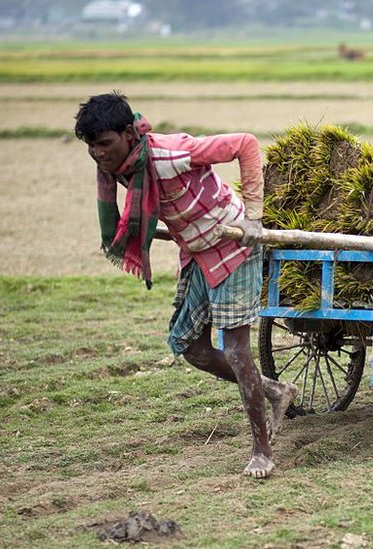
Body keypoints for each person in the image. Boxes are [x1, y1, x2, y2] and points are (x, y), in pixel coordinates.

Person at [74, 92, 298, 478]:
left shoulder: (173, 153)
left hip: (232, 246)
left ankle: (262, 449)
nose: (98, 154)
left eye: (104, 144)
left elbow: (246, 144)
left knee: (236, 347)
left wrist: (254, 219)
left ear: (129, 133)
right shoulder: (119, 168)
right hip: (196, 252)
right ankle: (275, 391)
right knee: (193, 349)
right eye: (92, 147)